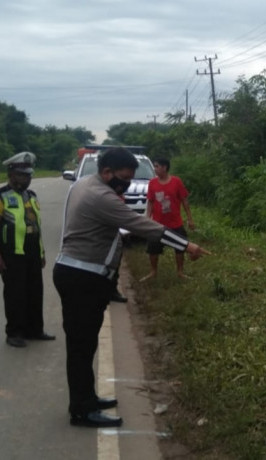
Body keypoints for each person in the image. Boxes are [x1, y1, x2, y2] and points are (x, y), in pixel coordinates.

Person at [53, 147, 210, 428]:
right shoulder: (101, 196)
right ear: (107, 173)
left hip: (80, 274)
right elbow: (142, 225)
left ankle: (87, 397)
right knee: (80, 347)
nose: (126, 185)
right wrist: (187, 245)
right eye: (123, 180)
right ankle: (81, 409)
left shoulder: (84, 184)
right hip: (82, 278)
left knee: (84, 345)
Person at [0, 151, 55, 348]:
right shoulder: (2, 196)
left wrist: (41, 253)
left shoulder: (31, 196)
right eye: (23, 174)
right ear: (11, 174)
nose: (27, 178)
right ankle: (14, 332)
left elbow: (36, 227)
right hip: (11, 254)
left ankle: (35, 330)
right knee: (16, 294)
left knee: (35, 292)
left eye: (29, 175)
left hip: (32, 253)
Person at [140, 157, 194, 281]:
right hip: (157, 224)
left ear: (164, 167)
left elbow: (184, 201)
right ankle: (153, 271)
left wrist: (190, 219)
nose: (155, 169)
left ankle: (180, 272)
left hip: (175, 223)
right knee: (153, 249)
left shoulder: (176, 181)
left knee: (180, 247)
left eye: (157, 166)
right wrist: (148, 218)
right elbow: (150, 202)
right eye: (154, 166)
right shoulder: (152, 183)